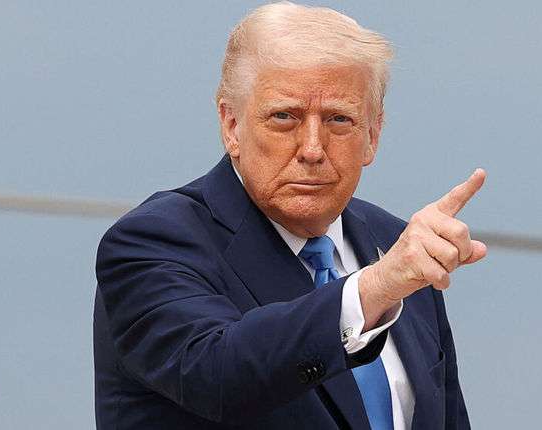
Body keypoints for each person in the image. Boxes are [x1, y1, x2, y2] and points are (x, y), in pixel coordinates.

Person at [94, 2, 486, 429]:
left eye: (339, 119)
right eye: (284, 117)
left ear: (373, 135)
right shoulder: (153, 240)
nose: (313, 149)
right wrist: (375, 288)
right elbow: (217, 373)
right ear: (231, 125)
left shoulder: (395, 245)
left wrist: (388, 277)